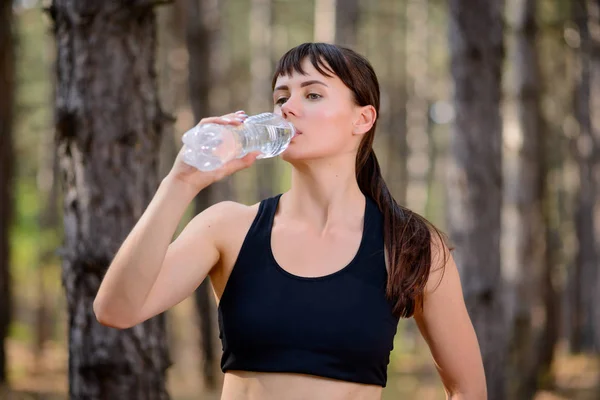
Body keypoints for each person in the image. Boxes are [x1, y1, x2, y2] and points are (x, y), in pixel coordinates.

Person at [94, 42, 486, 400]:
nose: (287, 108)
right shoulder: (230, 227)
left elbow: (468, 390)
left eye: (312, 94)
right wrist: (179, 182)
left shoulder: (409, 244)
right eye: (281, 97)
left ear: (362, 119)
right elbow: (116, 310)